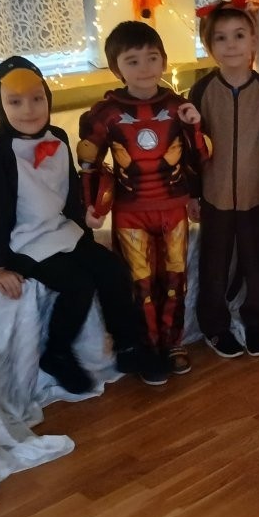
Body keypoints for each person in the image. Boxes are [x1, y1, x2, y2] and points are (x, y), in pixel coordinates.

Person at [0, 56, 166, 392]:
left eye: (37, 98)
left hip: (62, 230)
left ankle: (129, 345)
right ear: (0, 105)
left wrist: (85, 221)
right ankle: (57, 352)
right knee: (77, 284)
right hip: (24, 241)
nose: (29, 110)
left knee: (112, 269)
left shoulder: (59, 137)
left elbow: (71, 190)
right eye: (15, 102)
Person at [78, 21, 210, 375]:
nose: (145, 67)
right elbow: (89, 162)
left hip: (173, 209)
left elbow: (199, 158)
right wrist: (91, 205)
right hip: (130, 213)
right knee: (140, 283)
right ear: (115, 68)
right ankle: (148, 347)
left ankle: (173, 341)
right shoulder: (104, 113)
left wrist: (195, 126)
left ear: (164, 61)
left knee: (175, 278)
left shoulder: (179, 106)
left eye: (152, 57)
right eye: (132, 60)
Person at [189, 1, 259, 358]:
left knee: (257, 262)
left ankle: (256, 321)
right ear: (209, 46)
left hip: (258, 196)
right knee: (214, 264)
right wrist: (193, 194)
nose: (231, 45)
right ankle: (214, 325)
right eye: (221, 38)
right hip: (216, 196)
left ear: (253, 40)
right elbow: (192, 148)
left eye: (239, 35)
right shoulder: (201, 91)